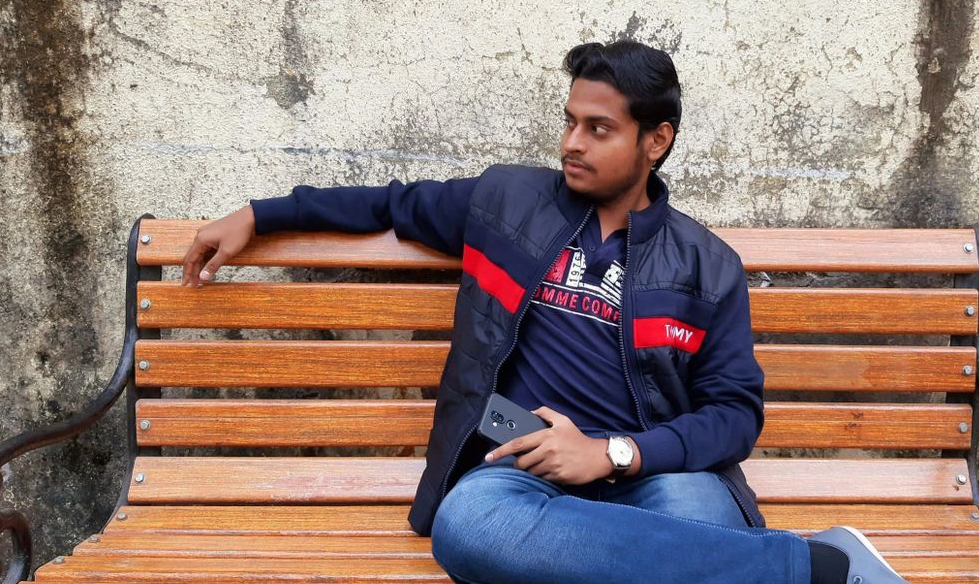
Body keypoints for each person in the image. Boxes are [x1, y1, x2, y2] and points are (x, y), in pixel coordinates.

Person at [181, 40, 907, 584]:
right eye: (569, 122)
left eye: (599, 128)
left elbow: (735, 416)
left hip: (651, 476)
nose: (570, 143)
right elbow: (388, 203)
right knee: (470, 525)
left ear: (656, 140)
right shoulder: (505, 203)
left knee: (702, 518)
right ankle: (812, 569)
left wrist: (612, 453)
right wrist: (259, 214)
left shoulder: (705, 265)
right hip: (519, 468)